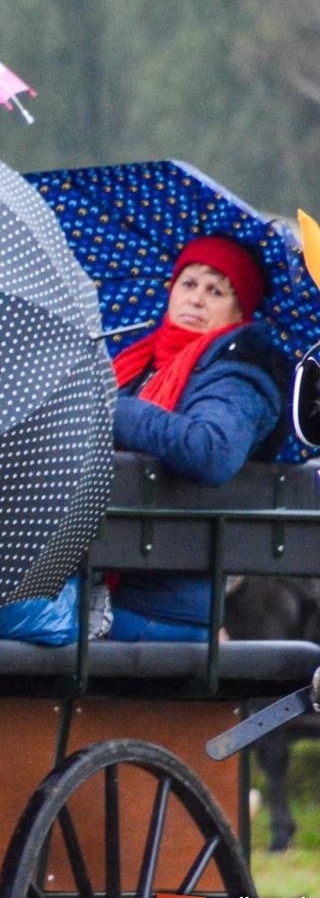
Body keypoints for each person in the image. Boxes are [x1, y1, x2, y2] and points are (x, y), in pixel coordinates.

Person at [103, 234, 290, 641]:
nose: (197, 299)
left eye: (216, 290)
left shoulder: (241, 371)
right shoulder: (138, 363)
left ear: (240, 312)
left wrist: (114, 409)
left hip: (158, 604)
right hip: (107, 579)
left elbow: (212, 450)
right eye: (188, 284)